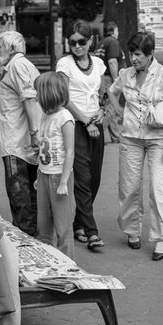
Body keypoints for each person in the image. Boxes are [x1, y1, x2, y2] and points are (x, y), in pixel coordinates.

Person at [108, 31, 163, 261]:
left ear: (150, 55)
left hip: (158, 139)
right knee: (129, 187)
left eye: (139, 54)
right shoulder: (126, 74)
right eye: (131, 53)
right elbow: (112, 91)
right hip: (130, 137)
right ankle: (132, 230)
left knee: (157, 188)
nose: (134, 58)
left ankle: (161, 236)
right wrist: (119, 111)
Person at [57, 21, 107, 250]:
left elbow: (102, 93)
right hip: (75, 125)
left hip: (96, 124)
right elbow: (64, 98)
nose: (77, 46)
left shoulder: (98, 63)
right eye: (72, 42)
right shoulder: (65, 64)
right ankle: (91, 231)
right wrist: (86, 121)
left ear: (90, 41)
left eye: (81, 42)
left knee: (95, 178)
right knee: (83, 178)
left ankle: (79, 223)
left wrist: (102, 111)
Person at [0, 30, 42, 236]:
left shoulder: (17, 65)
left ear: (11, 48)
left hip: (17, 140)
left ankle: (25, 233)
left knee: (18, 188)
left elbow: (29, 99)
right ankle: (31, 230)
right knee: (28, 188)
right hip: (22, 138)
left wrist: (34, 133)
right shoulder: (20, 65)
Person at [34, 71, 76, 259]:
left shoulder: (64, 117)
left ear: (48, 94)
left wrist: (63, 182)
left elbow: (70, 151)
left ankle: (68, 266)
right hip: (44, 174)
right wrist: (39, 174)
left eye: (38, 92)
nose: (36, 96)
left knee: (63, 227)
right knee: (43, 225)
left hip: (60, 177)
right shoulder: (45, 116)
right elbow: (45, 148)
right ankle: (48, 261)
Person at [96, 21, 123, 144]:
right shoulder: (113, 41)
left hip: (102, 77)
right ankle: (98, 133)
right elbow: (112, 61)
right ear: (113, 31)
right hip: (109, 78)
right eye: (117, 30)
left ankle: (116, 136)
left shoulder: (101, 42)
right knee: (111, 107)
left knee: (109, 107)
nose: (118, 32)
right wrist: (116, 79)